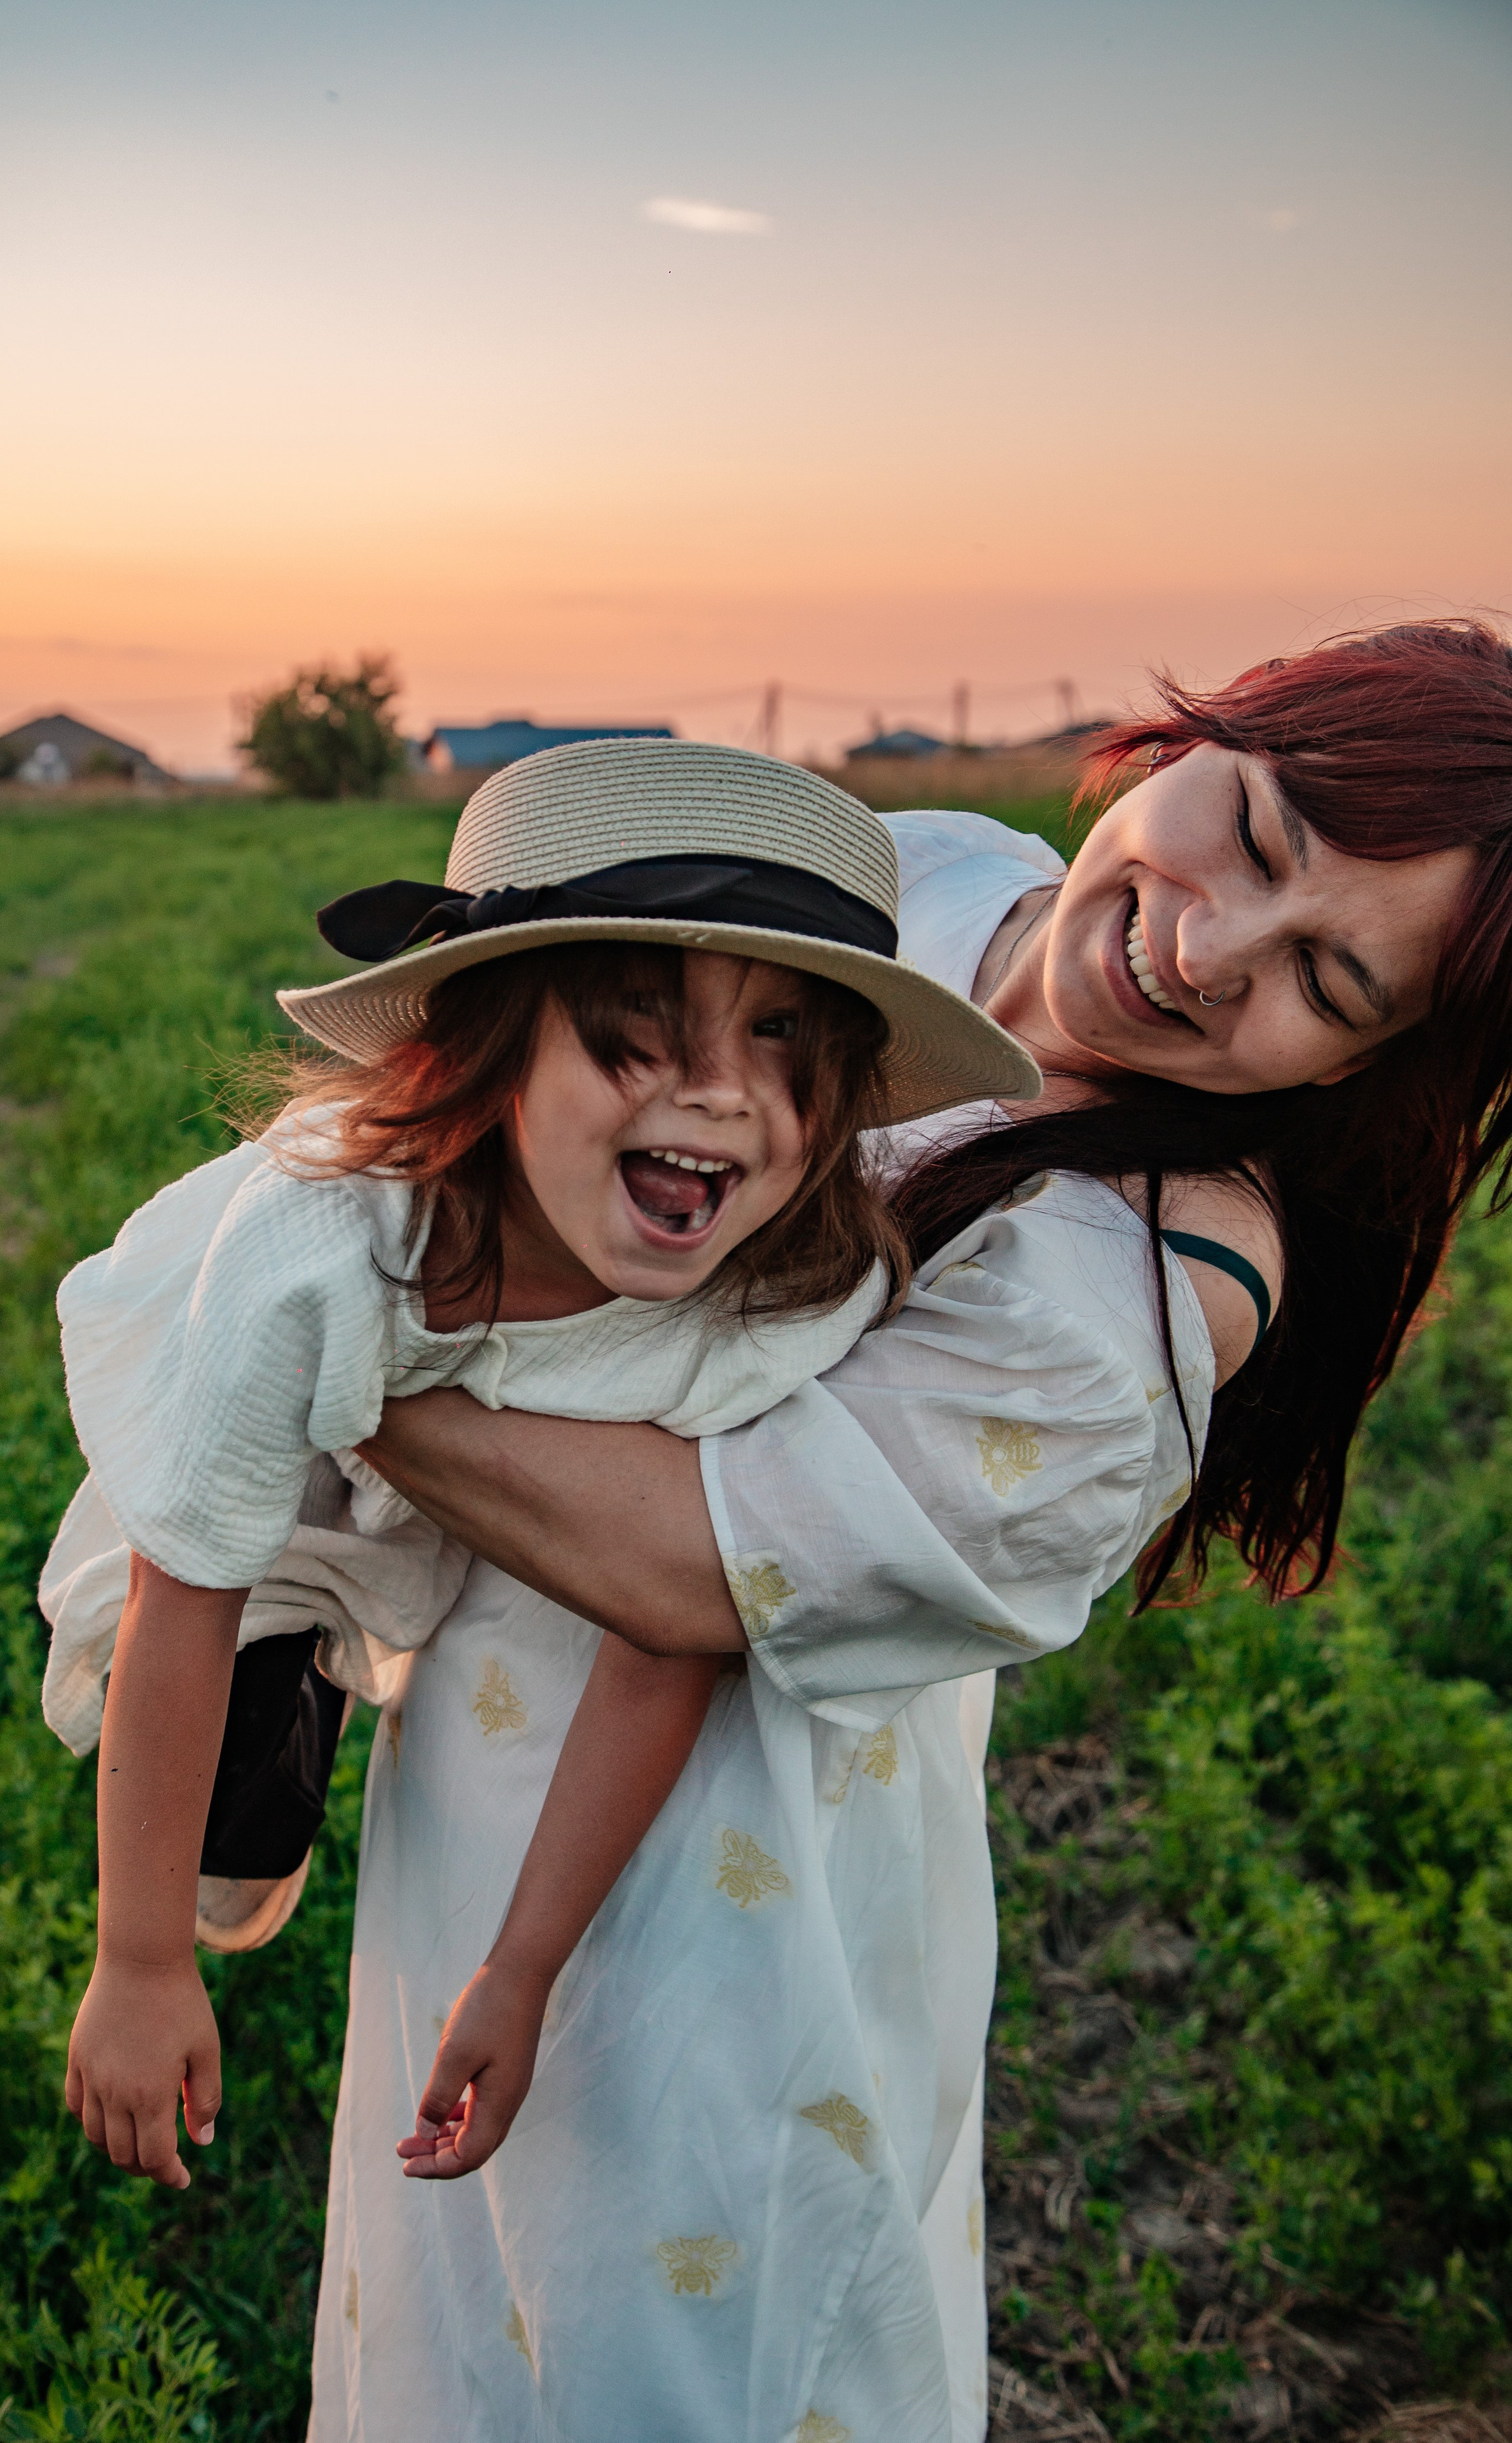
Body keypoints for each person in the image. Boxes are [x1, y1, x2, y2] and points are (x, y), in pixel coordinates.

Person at [331, 618, 1512, 2440]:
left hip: (728, 1896)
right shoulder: (933, 877)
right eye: (1259, 838)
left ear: (1368, 1070)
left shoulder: (1140, 1286)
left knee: (661, 2346)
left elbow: (690, 1564)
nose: (1206, 951)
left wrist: (293, 1336)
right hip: (481, 1738)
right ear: (1209, 732)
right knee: (443, 2324)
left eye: (1329, 987)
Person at [38, 739, 1033, 2209]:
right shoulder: (322, 1245)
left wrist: (519, 1968)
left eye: (782, 1042)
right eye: (633, 1031)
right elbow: (185, 1581)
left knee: (416, 1578)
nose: (717, 1095)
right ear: (493, 1048)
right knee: (224, 1740)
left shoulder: (779, 1302)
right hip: (254, 1443)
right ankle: (282, 1707)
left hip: (467, 1466)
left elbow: (667, 1627)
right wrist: (137, 1963)